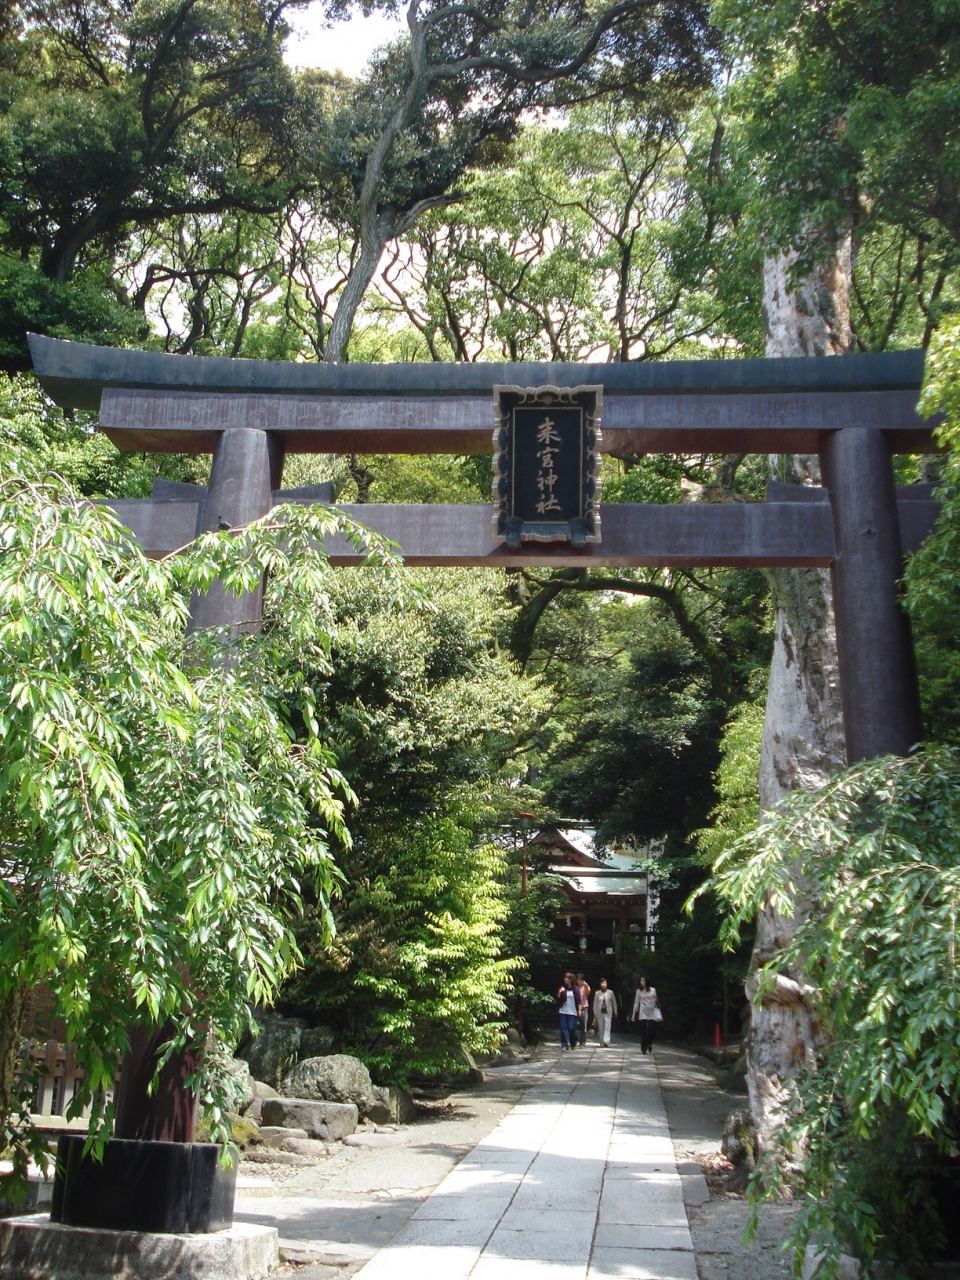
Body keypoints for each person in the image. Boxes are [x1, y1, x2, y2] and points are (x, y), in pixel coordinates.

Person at [631, 975, 658, 1054]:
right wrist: (634, 1014)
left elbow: (656, 1001)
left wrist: (656, 997)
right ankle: (644, 1047)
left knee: (651, 1030)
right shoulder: (639, 991)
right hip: (643, 1011)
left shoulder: (652, 990)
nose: (642, 982)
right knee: (644, 1030)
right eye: (641, 981)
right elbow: (636, 1003)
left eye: (643, 981)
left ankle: (649, 1043)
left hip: (651, 1011)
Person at [557, 972, 581, 1051]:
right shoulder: (563, 988)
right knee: (563, 1028)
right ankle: (564, 1045)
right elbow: (558, 997)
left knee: (571, 1028)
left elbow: (579, 1000)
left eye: (566, 978)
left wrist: (579, 1010)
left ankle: (573, 1043)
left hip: (572, 1011)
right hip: (563, 1010)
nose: (565, 979)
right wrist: (560, 992)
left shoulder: (576, 989)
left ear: (570, 980)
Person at [593, 978, 618, 1047]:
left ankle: (606, 1041)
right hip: (599, 1012)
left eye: (604, 983)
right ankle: (601, 1042)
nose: (603, 985)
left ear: (607, 984)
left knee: (607, 1026)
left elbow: (614, 1002)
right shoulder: (597, 993)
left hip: (608, 1012)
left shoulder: (610, 993)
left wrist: (615, 1010)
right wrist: (595, 1012)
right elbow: (595, 1003)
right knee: (601, 1028)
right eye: (602, 983)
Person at [576, 973, 591, 1046]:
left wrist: (585, 984)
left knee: (584, 1026)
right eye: (577, 980)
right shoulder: (575, 988)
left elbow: (588, 991)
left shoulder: (585, 987)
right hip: (576, 1008)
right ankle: (575, 1040)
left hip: (584, 1007)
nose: (578, 981)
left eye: (580, 980)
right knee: (575, 1025)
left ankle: (582, 1041)